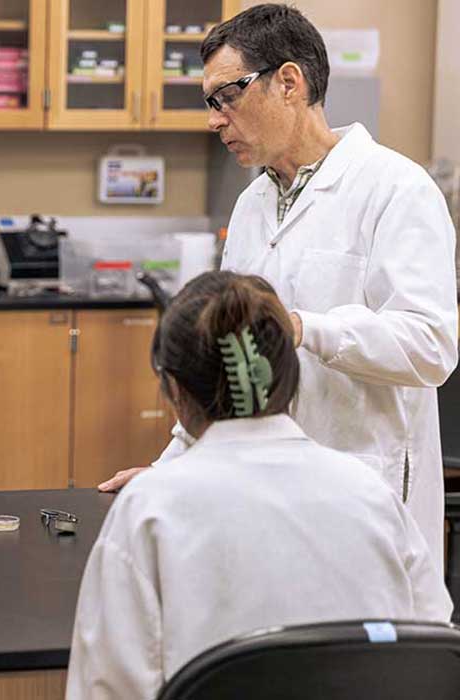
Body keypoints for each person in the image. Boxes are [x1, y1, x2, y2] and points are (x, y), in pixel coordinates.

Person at [99, 4, 458, 572]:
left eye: (227, 96)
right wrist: (172, 471)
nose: (214, 119)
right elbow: (225, 366)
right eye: (209, 103)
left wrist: (302, 328)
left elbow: (431, 347)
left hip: (367, 502)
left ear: (288, 82)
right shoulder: (252, 205)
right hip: (265, 499)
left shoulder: (397, 190)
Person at [68, 271, 454, 700]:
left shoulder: (149, 511)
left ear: (173, 389)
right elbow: (432, 650)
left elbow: (106, 688)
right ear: (291, 376)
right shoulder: (370, 494)